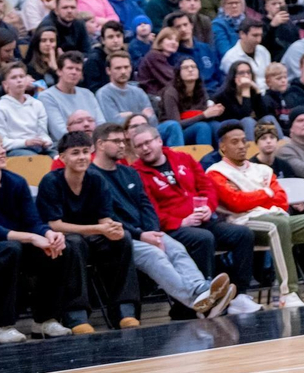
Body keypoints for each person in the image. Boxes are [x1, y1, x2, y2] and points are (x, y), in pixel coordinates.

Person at [0, 130, 93, 344]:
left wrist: (49, 234)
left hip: (11, 244)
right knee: (10, 250)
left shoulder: (17, 182)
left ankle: (45, 320)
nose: (2, 151)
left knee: (62, 248)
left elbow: (33, 222)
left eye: (1, 147)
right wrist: (33, 238)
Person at [84, 122, 237, 320]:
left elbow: (146, 205)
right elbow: (108, 217)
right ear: (100, 144)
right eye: (116, 141)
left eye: (124, 141)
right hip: (118, 237)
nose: (123, 145)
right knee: (155, 256)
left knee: (176, 249)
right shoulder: (92, 177)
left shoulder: (129, 172)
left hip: (144, 232)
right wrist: (142, 235)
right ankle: (197, 303)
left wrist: (153, 231)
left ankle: (200, 289)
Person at [207, 120, 304, 305]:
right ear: (223, 147)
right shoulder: (216, 172)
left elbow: (281, 200)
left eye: (244, 140)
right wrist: (266, 192)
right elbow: (236, 203)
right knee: (278, 224)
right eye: (234, 142)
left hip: (277, 217)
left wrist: (255, 196)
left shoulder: (263, 169)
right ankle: (287, 293)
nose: (241, 146)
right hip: (244, 223)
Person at [128, 122, 261, 314]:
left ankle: (239, 295)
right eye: (139, 146)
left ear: (159, 141)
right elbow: (149, 210)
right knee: (202, 239)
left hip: (203, 219)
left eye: (148, 142)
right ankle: (201, 300)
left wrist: (208, 207)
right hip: (172, 227)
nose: (145, 148)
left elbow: (207, 187)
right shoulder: (137, 173)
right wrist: (180, 222)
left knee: (243, 234)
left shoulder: (182, 157)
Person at [35, 130, 144, 329]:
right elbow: (55, 225)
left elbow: (105, 217)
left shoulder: (96, 180)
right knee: (74, 243)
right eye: (75, 152)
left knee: (123, 238)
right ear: (63, 157)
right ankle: (76, 315)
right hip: (62, 239)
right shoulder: (51, 181)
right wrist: (100, 228)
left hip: (93, 236)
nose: (82, 157)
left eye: (86, 152)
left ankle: (124, 310)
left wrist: (113, 228)